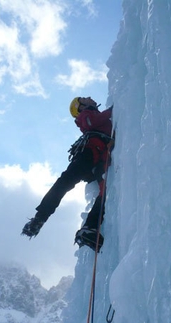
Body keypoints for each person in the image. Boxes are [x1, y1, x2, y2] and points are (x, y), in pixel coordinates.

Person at [21, 97, 113, 251]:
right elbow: (92, 122)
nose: (89, 98)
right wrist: (112, 110)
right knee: (64, 182)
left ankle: (89, 228)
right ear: (81, 107)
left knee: (105, 191)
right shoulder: (86, 114)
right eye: (84, 99)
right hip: (89, 154)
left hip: (98, 158)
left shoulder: (90, 115)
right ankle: (40, 217)